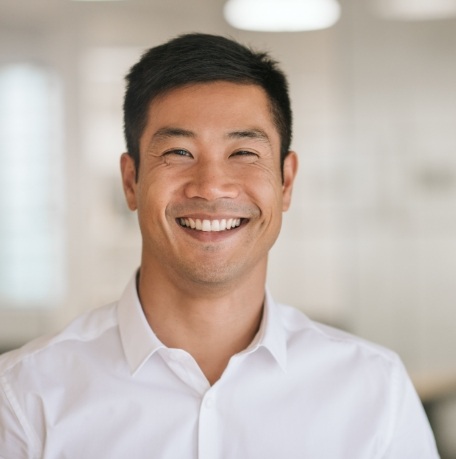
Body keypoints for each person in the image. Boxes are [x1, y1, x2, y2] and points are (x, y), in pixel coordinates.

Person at [0, 33, 439, 458]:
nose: (211, 187)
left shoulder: (374, 389)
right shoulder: (25, 394)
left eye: (244, 153)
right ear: (131, 181)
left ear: (286, 181)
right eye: (178, 152)